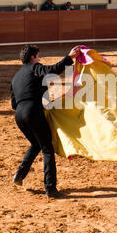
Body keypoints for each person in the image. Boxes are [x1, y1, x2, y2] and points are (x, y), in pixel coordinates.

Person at [11, 45, 81, 199]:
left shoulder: (16, 77)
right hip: (32, 112)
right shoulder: (35, 67)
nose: (39, 59)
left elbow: (14, 104)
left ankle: (20, 174)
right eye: (38, 56)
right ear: (32, 58)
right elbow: (52, 70)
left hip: (19, 116)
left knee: (36, 144)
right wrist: (69, 58)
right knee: (47, 148)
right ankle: (51, 189)